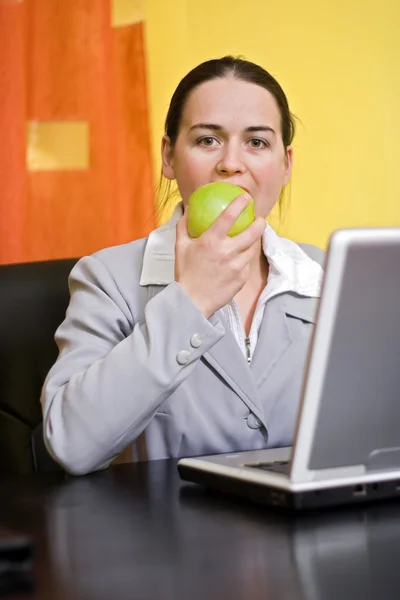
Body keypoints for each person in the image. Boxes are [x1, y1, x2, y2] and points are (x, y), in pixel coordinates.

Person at [41, 56, 325, 475]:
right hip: (165, 535)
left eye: (257, 142)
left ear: (285, 165)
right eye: (208, 140)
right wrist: (191, 299)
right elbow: (70, 443)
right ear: (169, 157)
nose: (231, 162)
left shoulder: (328, 277)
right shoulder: (107, 278)